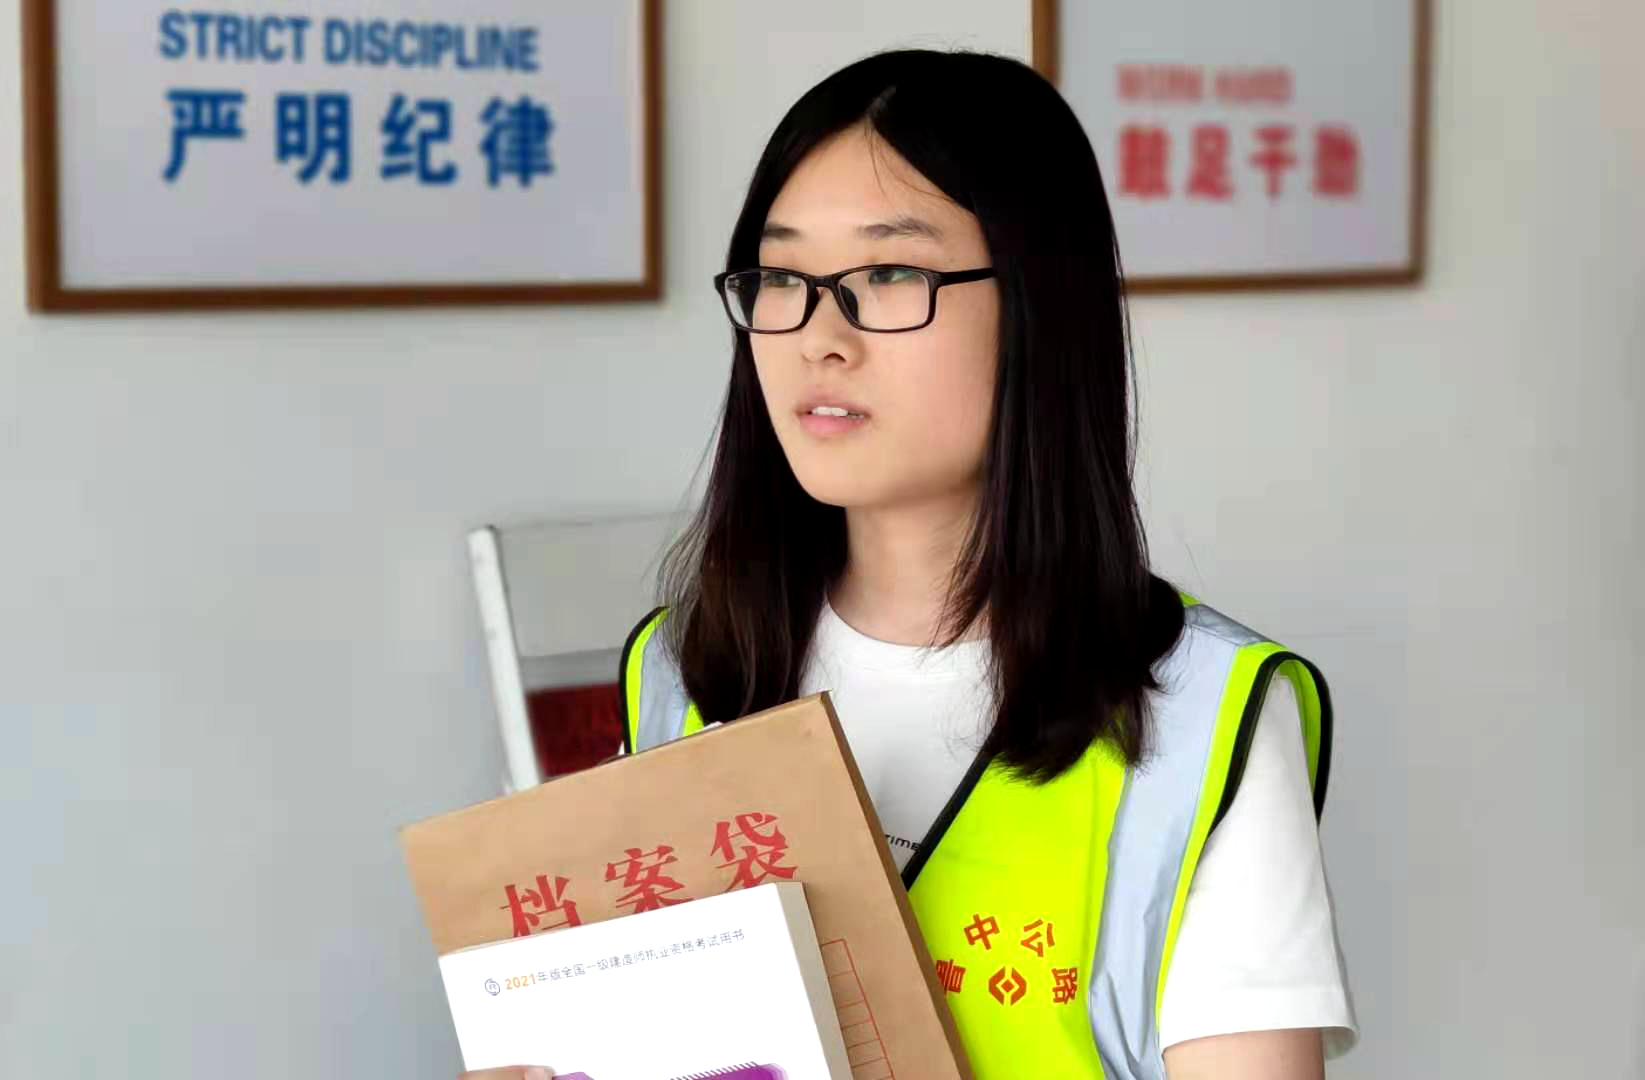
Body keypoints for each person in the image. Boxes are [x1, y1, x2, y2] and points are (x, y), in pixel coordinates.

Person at [468, 47, 1356, 1080]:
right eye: (782, 277)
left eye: (888, 274)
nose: (818, 337)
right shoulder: (677, 674)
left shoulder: (1203, 712)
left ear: (1039, 307)